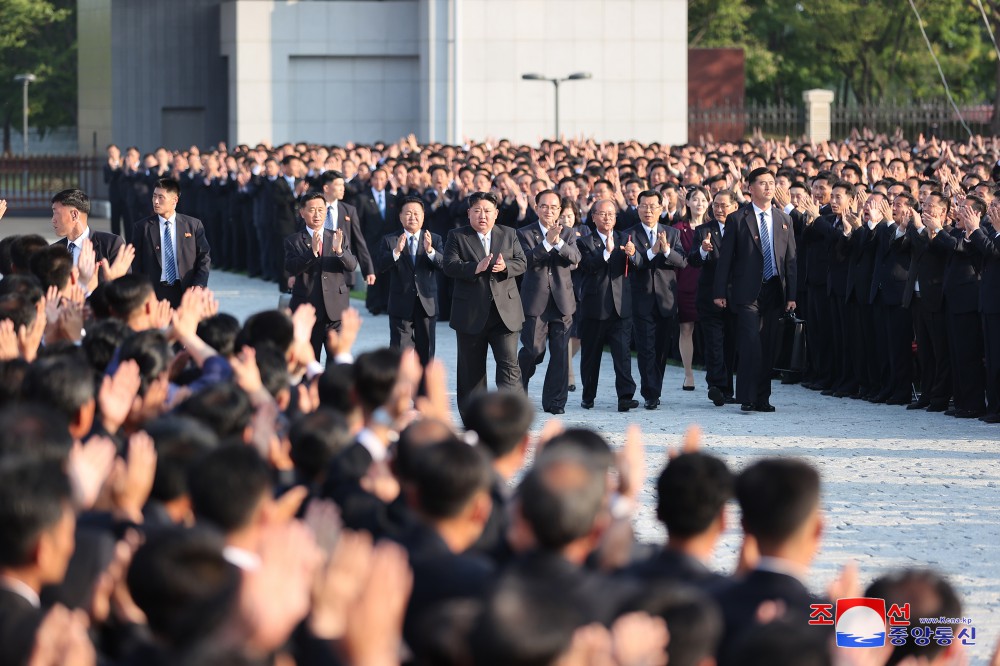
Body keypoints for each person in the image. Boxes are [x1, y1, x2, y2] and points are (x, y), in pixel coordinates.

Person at [713, 167, 797, 412]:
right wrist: (720, 291)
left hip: (774, 290)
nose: (769, 187)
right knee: (751, 343)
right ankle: (747, 397)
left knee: (768, 343)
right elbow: (726, 258)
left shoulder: (784, 219)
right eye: (763, 183)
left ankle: (762, 397)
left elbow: (791, 259)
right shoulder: (738, 218)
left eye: (772, 183)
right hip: (747, 291)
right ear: (750, 188)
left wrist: (792, 295)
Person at [443, 191, 527, 406]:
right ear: (469, 213)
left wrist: (505, 266)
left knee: (509, 367)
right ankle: (473, 419)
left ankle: (511, 416)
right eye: (477, 210)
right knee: (471, 371)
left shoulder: (509, 234)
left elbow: (522, 262)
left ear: (496, 213)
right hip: (471, 313)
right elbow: (449, 266)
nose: (483, 215)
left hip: (504, 314)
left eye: (487, 211)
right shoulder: (457, 235)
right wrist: (474, 267)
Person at [516, 189, 581, 415]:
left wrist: (559, 243)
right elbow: (524, 261)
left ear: (560, 210)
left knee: (561, 353)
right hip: (535, 301)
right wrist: (546, 243)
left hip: (562, 301)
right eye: (545, 206)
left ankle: (555, 402)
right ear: (537, 207)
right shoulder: (524, 233)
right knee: (534, 350)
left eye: (554, 207)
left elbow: (575, 258)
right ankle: (518, 385)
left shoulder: (569, 233)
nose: (549, 211)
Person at [577, 199, 641, 412]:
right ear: (593, 216)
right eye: (602, 214)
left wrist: (633, 255)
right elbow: (587, 266)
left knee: (622, 354)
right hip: (594, 307)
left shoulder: (626, 238)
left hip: (621, 306)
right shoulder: (584, 241)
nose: (607, 218)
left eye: (611, 214)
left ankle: (625, 396)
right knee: (591, 356)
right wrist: (606, 252)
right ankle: (588, 395)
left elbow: (637, 265)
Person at [627, 189, 687, 410]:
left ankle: (656, 388)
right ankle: (650, 393)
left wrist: (667, 250)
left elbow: (682, 262)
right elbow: (636, 263)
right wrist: (652, 251)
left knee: (661, 349)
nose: (648, 210)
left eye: (653, 206)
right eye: (644, 205)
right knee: (646, 348)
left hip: (666, 300)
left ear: (661, 209)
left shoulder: (672, 233)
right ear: (638, 207)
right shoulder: (629, 234)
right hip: (640, 299)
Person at [285, 192, 358, 359]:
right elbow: (292, 268)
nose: (317, 214)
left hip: (336, 310)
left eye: (321, 209)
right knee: (310, 360)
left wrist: (339, 251)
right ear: (302, 212)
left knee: (337, 360)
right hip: (308, 308)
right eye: (312, 210)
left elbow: (352, 265)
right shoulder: (294, 240)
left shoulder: (337, 236)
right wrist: (312, 253)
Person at [375, 196, 444, 366]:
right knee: (399, 355)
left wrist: (430, 251)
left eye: (416, 213)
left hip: (426, 303)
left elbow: (444, 265)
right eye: (408, 213)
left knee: (426, 354)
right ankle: (401, 391)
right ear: (400, 216)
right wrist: (396, 252)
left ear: (423, 216)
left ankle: (423, 391)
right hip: (400, 303)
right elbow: (381, 266)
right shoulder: (390, 240)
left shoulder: (434, 239)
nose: (412, 217)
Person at [690, 189, 738, 406]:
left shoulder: (743, 228)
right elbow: (692, 260)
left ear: (734, 206)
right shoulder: (703, 230)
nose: (719, 209)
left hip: (737, 296)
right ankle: (716, 386)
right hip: (709, 297)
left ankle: (729, 388)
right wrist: (702, 250)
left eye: (724, 205)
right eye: (716, 205)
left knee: (731, 343)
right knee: (714, 343)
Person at [131, 177, 211, 307]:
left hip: (185, 290)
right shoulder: (142, 227)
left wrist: (199, 284)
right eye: (154, 196)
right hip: (154, 292)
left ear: (175, 200)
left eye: (161, 197)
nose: (156, 201)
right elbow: (136, 262)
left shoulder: (193, 225)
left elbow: (204, 258)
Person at [50, 189, 128, 289]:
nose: (53, 220)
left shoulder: (111, 245)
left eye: (56, 213)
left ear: (74, 215)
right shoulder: (53, 251)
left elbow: (126, 291)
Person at [673, 186, 709, 392]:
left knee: (712, 329)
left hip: (709, 284)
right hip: (685, 284)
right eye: (695, 199)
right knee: (686, 329)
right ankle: (688, 374)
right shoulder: (678, 228)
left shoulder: (713, 227)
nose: (699, 203)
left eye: (703, 199)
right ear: (687, 203)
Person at [320, 170, 375, 297]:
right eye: (338, 185)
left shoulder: (349, 210)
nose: (342, 188)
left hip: (342, 269)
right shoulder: (314, 208)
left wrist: (368, 270)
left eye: (343, 185)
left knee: (338, 313)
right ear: (326, 187)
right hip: (318, 268)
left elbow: (359, 241)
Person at [559, 198, 590, 393]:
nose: (566, 219)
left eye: (569, 215)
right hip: (563, 284)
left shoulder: (584, 230)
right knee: (568, 331)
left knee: (578, 336)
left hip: (582, 284)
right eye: (562, 215)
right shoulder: (555, 233)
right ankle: (569, 375)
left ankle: (562, 361)